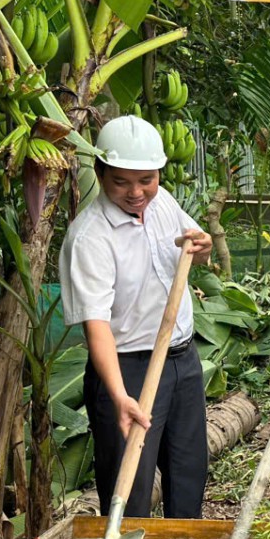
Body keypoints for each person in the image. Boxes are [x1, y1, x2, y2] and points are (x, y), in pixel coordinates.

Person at [61, 115, 213, 518]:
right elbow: (97, 326)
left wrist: (203, 247)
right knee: (130, 488)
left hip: (182, 361)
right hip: (127, 369)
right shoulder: (90, 237)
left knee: (189, 472)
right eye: (121, 182)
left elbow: (195, 250)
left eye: (146, 179)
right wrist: (119, 396)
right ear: (100, 174)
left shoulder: (162, 203)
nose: (136, 192)